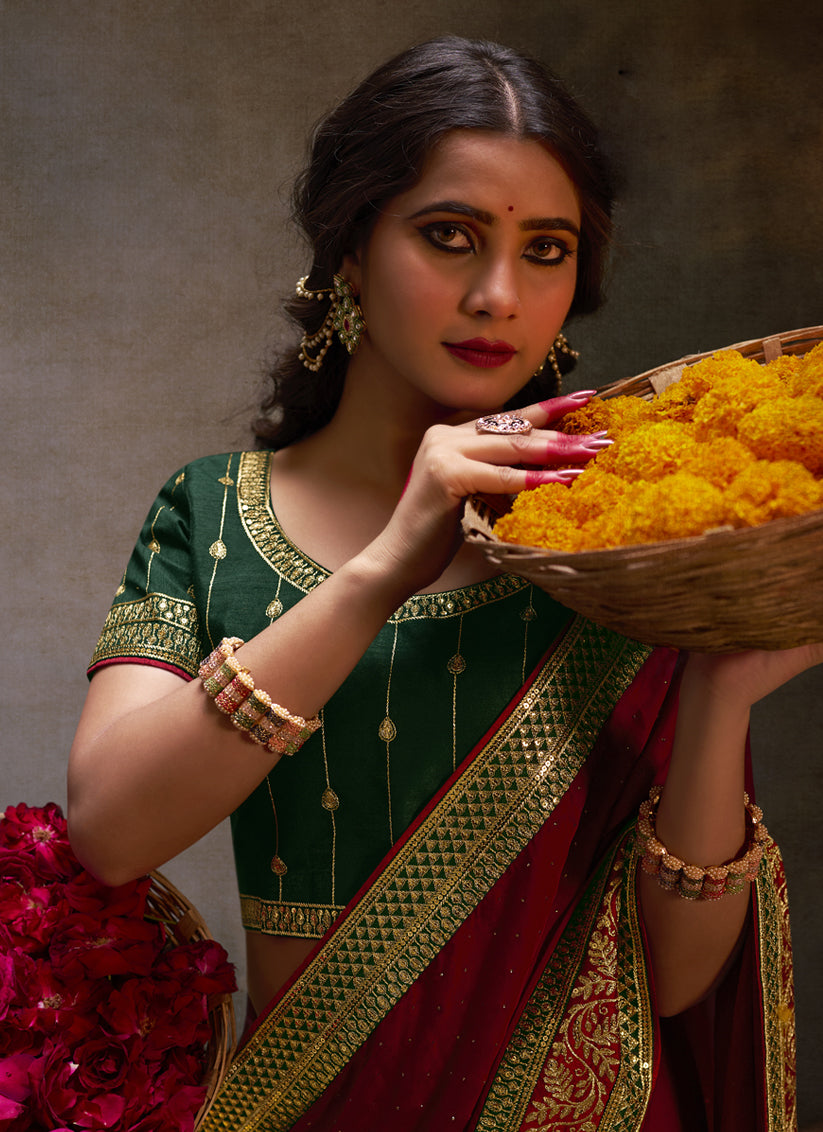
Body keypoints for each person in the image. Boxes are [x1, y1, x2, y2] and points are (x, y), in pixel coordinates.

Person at [66, 35, 820, 1131]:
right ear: (350, 250)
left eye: (547, 249)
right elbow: (111, 832)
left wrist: (718, 692)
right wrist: (384, 565)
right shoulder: (215, 513)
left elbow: (675, 981)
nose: (498, 294)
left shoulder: (620, 535)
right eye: (449, 236)